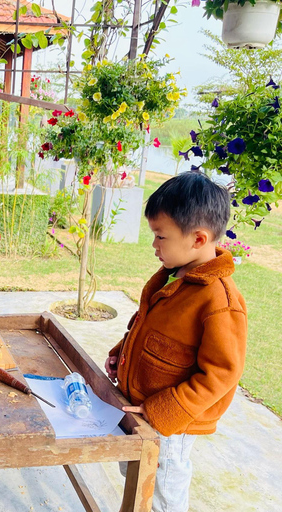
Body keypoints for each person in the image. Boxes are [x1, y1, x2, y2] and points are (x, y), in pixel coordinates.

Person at [104, 171, 247, 512]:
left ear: (198, 239)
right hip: (142, 412)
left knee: (162, 494)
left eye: (160, 236)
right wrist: (122, 352)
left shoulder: (219, 301)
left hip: (170, 426)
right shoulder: (174, 276)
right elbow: (149, 329)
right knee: (137, 480)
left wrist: (161, 411)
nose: (154, 246)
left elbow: (222, 374)